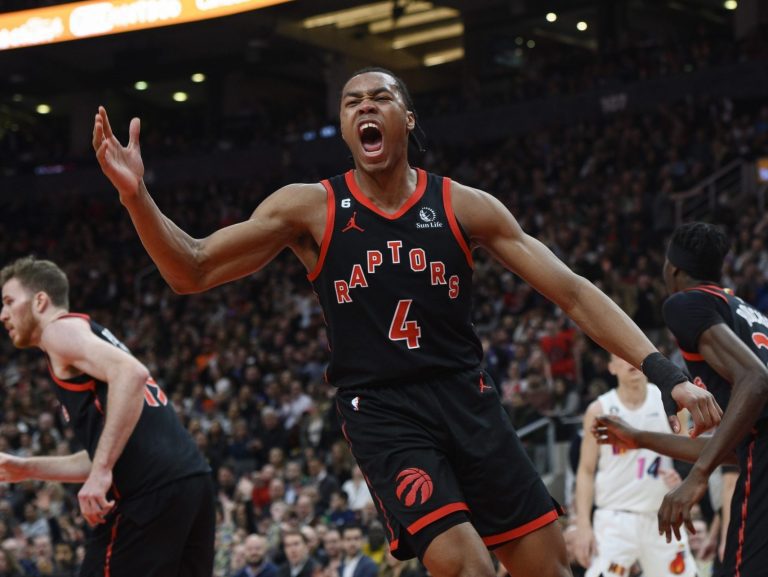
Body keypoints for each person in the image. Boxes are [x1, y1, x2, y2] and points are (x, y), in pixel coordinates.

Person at [92, 67, 721, 577]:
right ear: (344, 126)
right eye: (351, 103)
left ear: (406, 118)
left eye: (380, 98)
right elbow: (192, 269)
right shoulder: (310, 208)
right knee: (468, 567)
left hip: (467, 399)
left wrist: (670, 376)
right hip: (383, 411)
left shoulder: (461, 205)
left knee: (548, 570)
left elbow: (575, 293)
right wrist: (135, 197)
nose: (364, 108)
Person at [0, 256, 215, 577]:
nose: (3, 315)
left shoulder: (59, 330)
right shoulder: (89, 339)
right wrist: (28, 467)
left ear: (40, 301)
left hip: (148, 494)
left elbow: (131, 373)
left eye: (9, 302)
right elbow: (111, 452)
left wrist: (100, 474)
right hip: (192, 484)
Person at [594, 221, 768, 577]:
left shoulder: (685, 303)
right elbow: (734, 447)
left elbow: (756, 380)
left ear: (672, 269)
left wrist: (697, 477)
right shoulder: (747, 313)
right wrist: (640, 438)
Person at [572, 353, 697, 576]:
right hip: (615, 519)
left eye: (632, 354)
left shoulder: (669, 402)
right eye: (620, 356)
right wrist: (583, 525)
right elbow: (585, 470)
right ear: (611, 367)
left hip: (662, 515)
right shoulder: (599, 410)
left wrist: (681, 479)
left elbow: (689, 456)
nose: (629, 361)